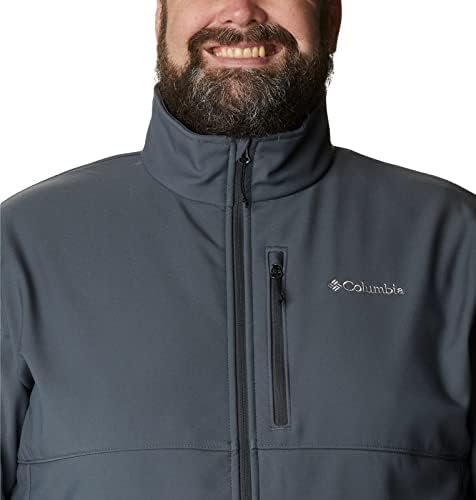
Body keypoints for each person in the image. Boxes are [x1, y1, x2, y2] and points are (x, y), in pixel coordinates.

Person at [1, 1, 475, 499]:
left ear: (331, 18)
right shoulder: (24, 244)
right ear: (161, 17)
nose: (241, 12)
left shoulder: (452, 241)